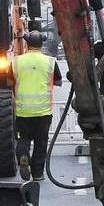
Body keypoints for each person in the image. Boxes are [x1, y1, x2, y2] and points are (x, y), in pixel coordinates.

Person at [10, 31, 62, 181]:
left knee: (23, 139)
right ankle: (38, 174)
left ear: (27, 43)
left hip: (23, 111)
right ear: (42, 44)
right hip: (43, 112)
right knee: (41, 142)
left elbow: (8, 82)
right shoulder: (50, 61)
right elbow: (58, 81)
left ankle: (23, 156)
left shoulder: (16, 61)